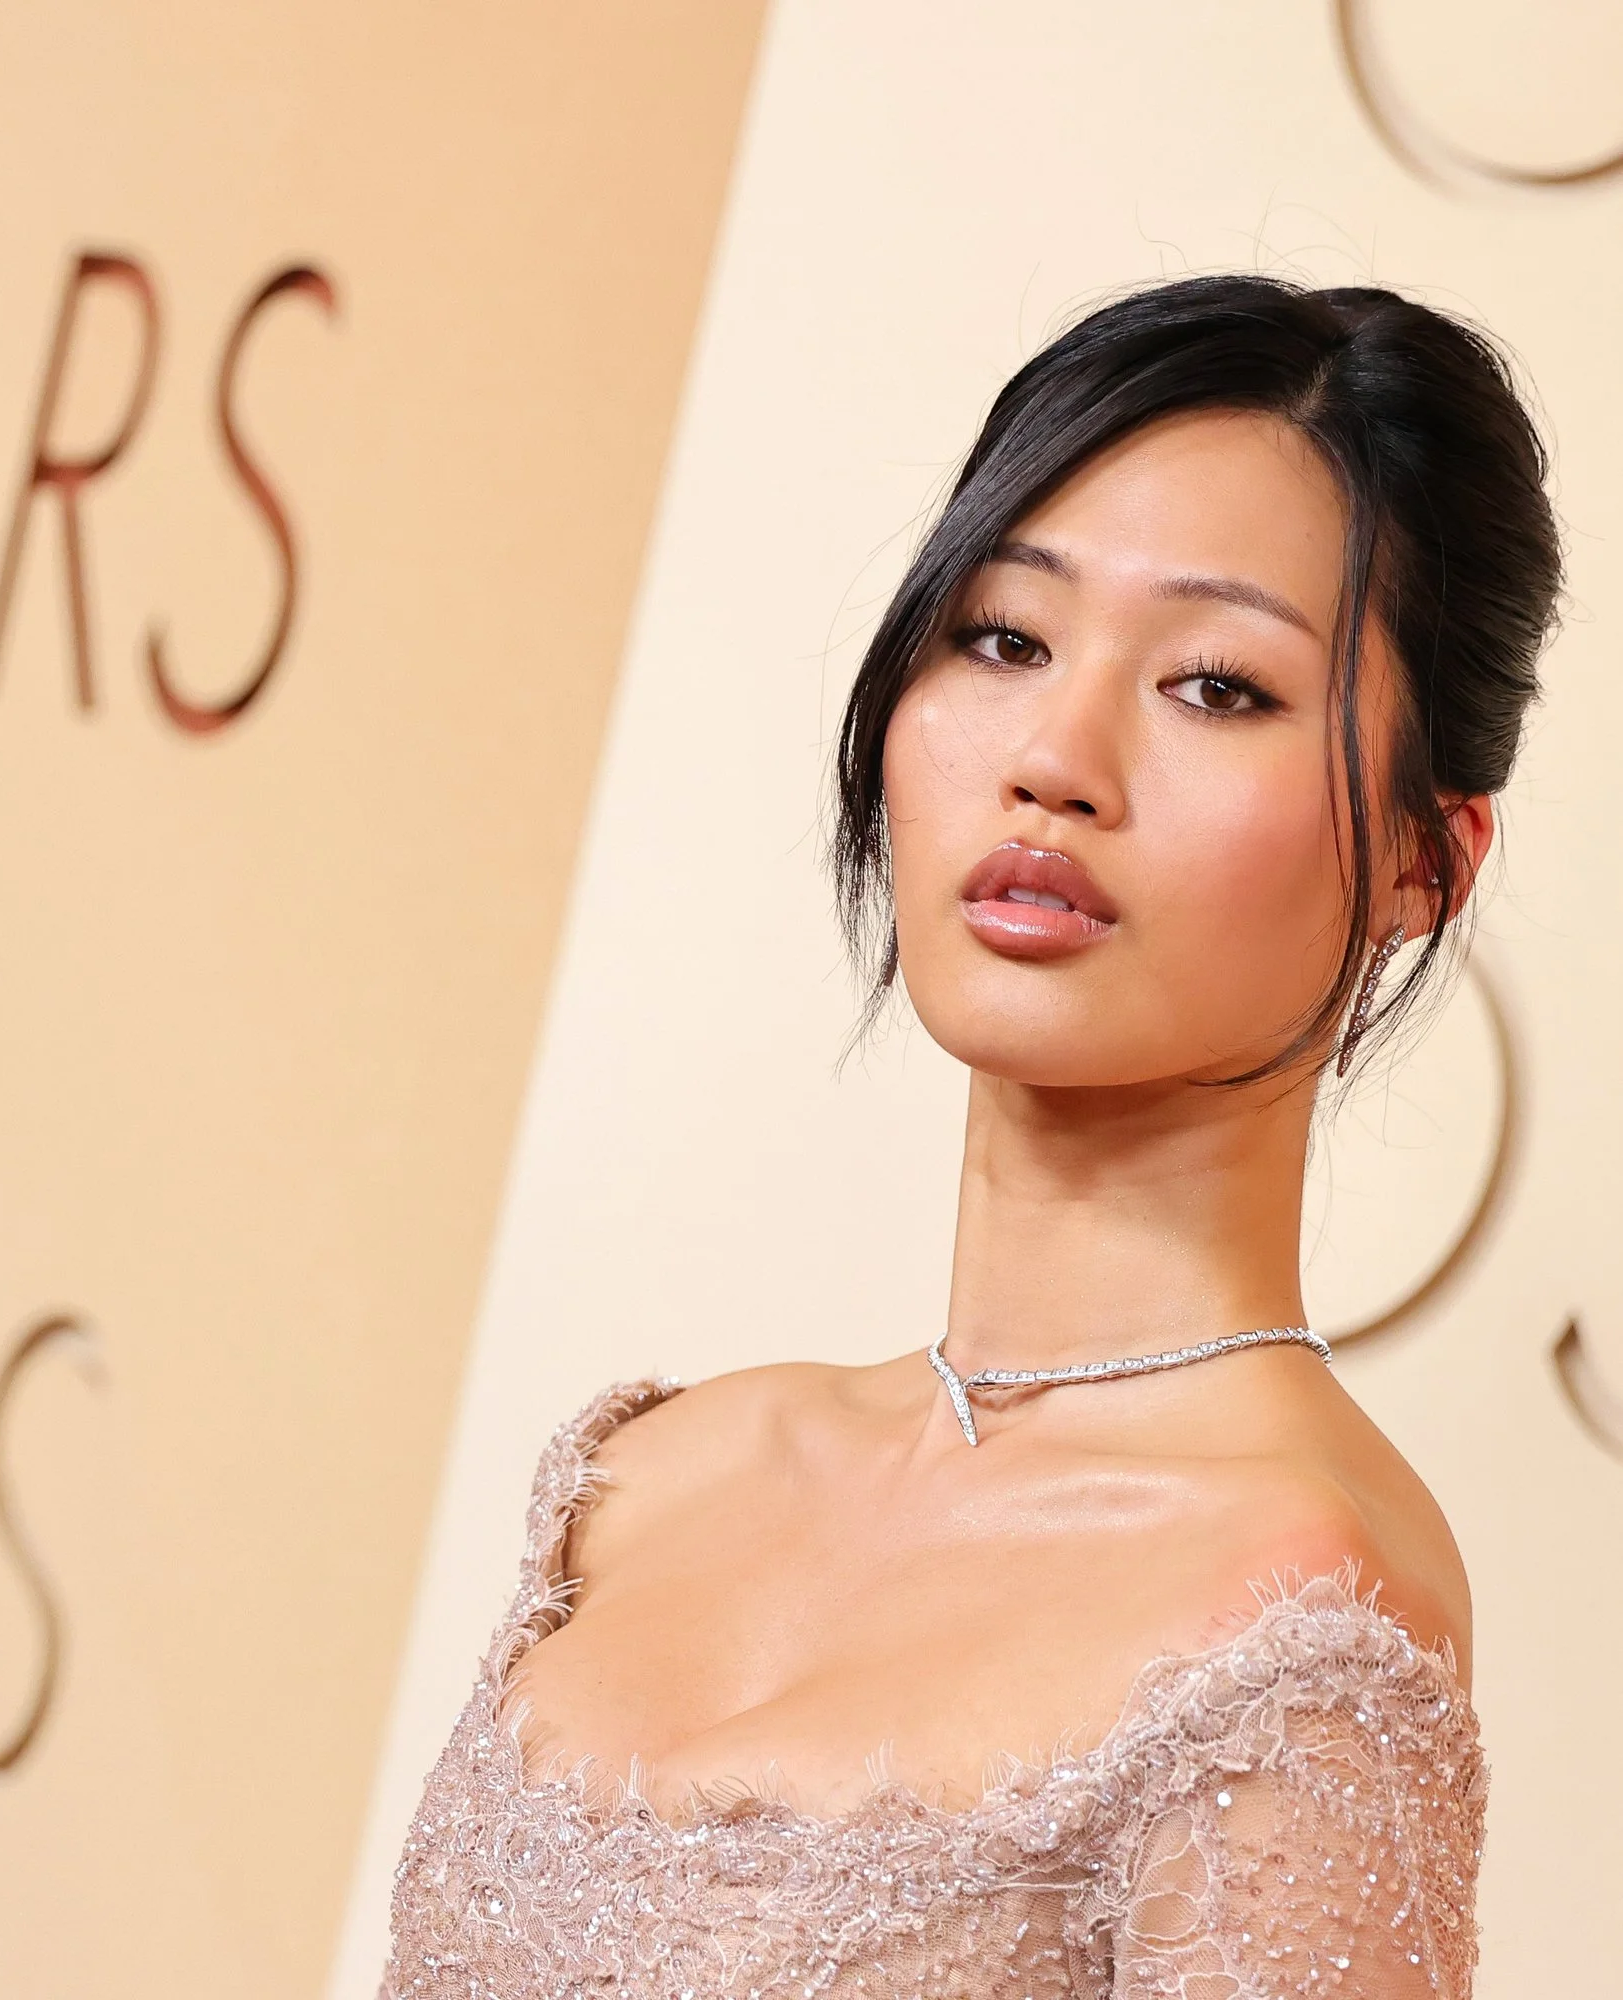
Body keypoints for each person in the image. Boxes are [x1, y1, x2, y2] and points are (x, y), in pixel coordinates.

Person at [380, 274, 1560, 1999]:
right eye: (1004, 638)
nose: (1054, 759)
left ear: (1420, 863)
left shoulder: (1290, 1621)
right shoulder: (645, 1482)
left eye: (1219, 686)